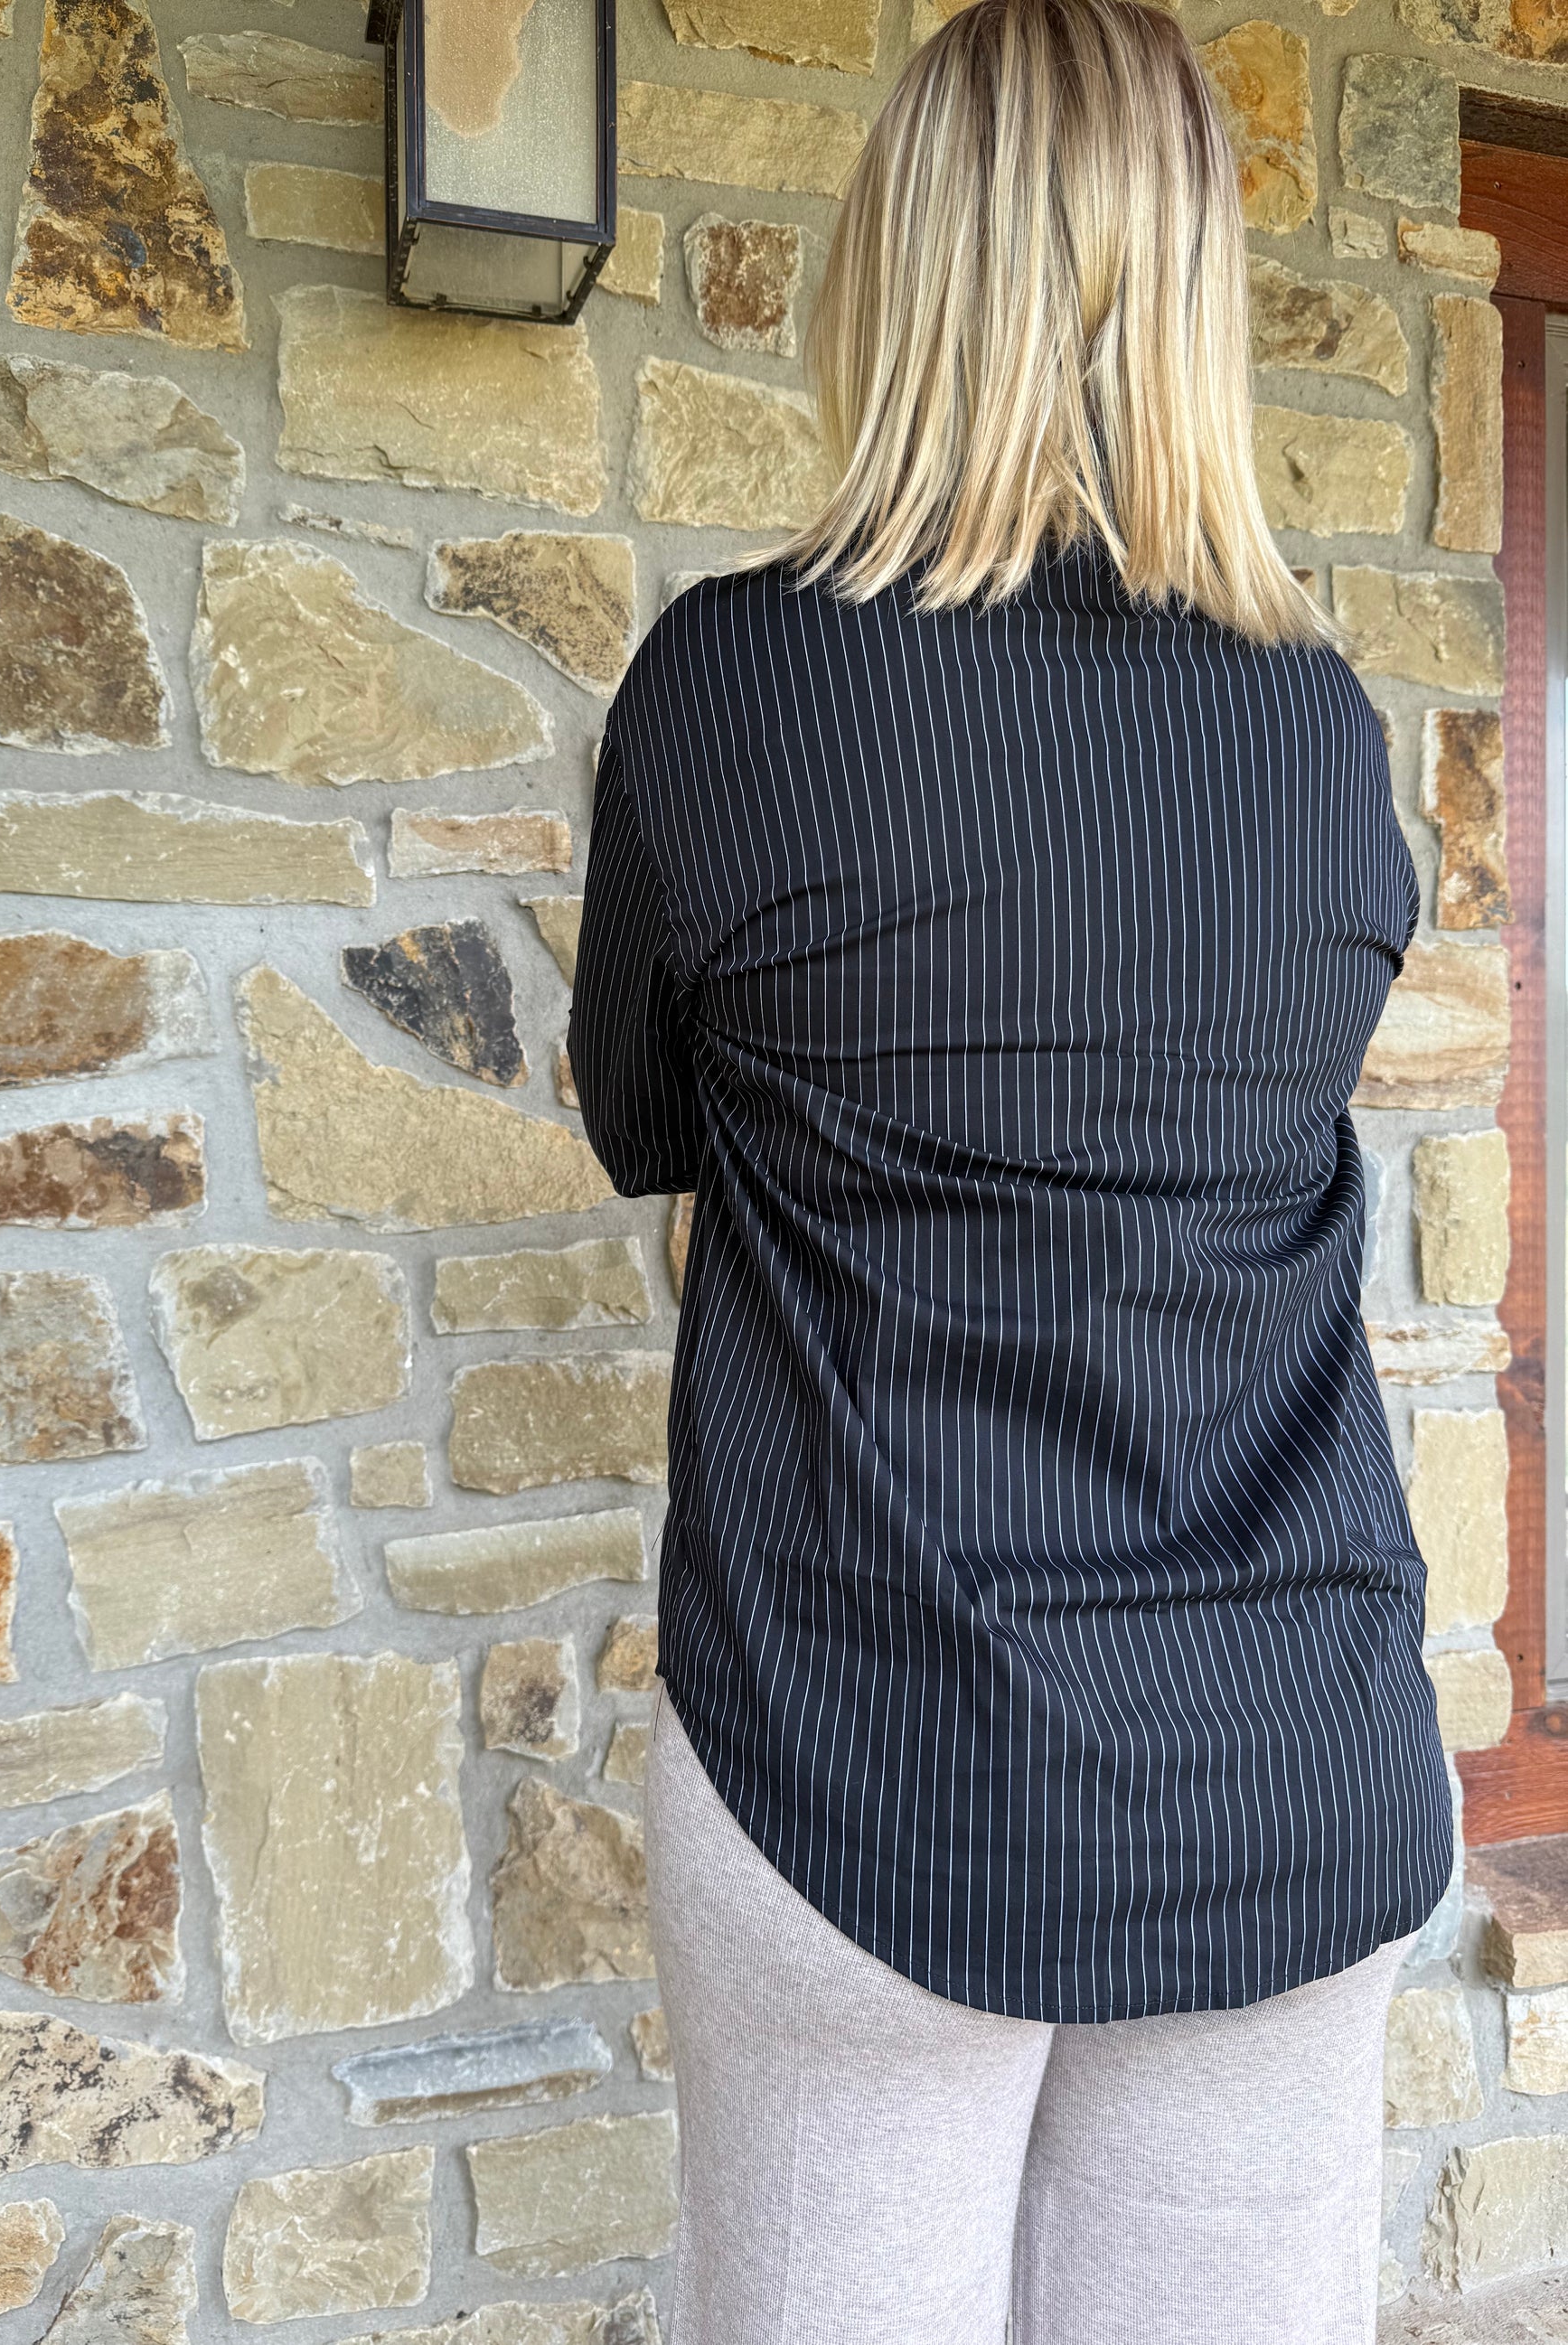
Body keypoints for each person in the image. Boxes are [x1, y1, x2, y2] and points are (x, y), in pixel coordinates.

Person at [566, 0, 1456, 2336]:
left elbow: (635, 1116)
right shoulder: (1313, 742)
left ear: (899, 268)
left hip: (862, 1753)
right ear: (1184, 298)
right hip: (1273, 1760)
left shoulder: (731, 691)